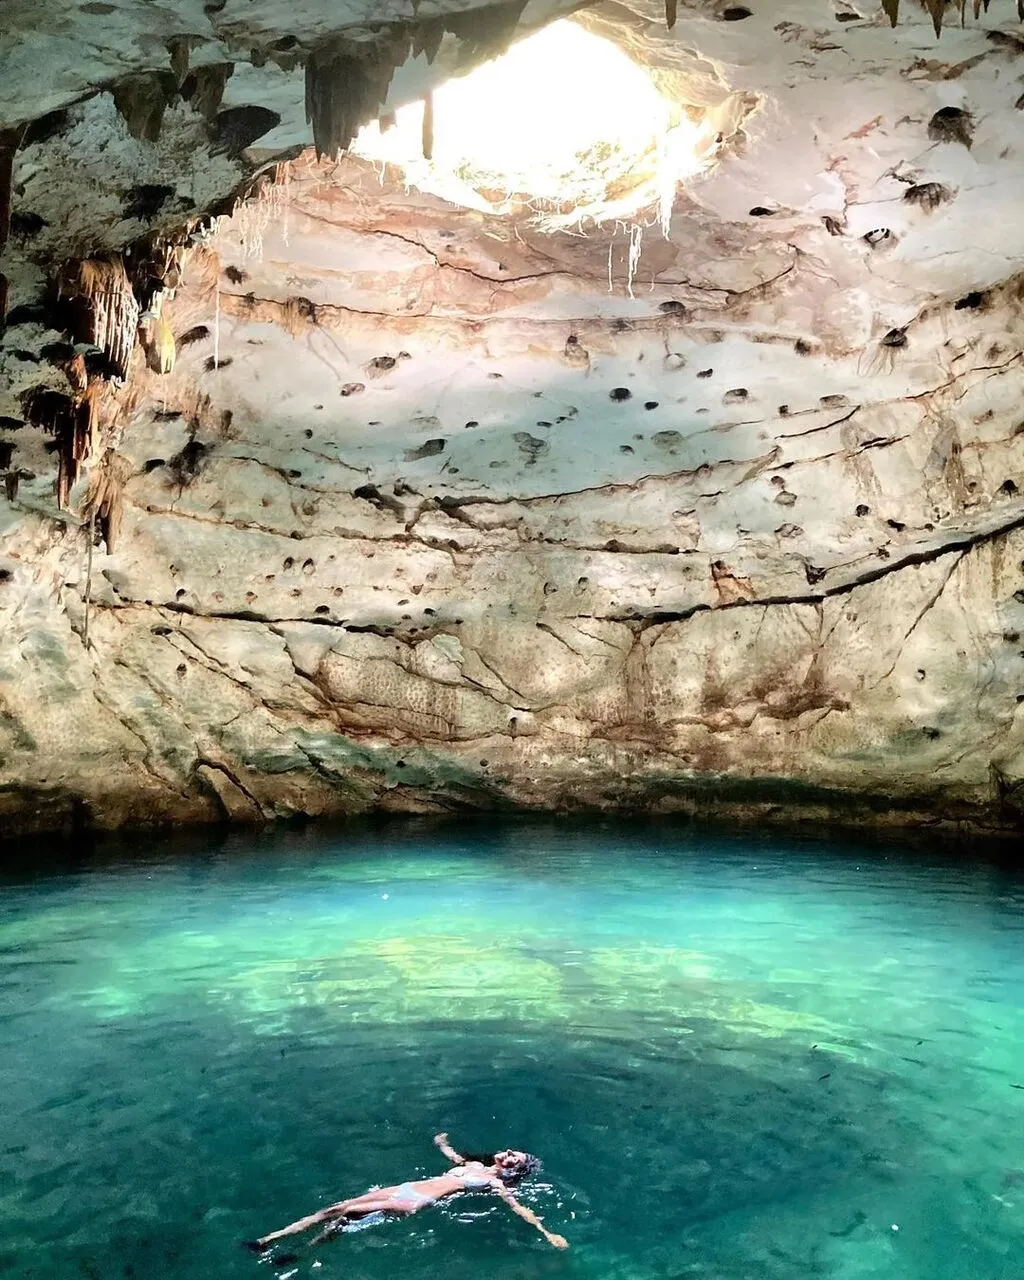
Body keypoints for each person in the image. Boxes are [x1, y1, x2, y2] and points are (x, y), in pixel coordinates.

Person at [244, 1133, 569, 1254]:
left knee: (344, 1215)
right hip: (406, 1187)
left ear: (515, 1170)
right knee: (336, 1210)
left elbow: (518, 1208)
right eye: (512, 1150)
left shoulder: (496, 1183)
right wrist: (442, 1145)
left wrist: (547, 1232)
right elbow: (453, 1159)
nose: (510, 1153)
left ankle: (291, 1249)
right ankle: (270, 1242)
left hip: (414, 1200)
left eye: (517, 1159)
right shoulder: (471, 1163)